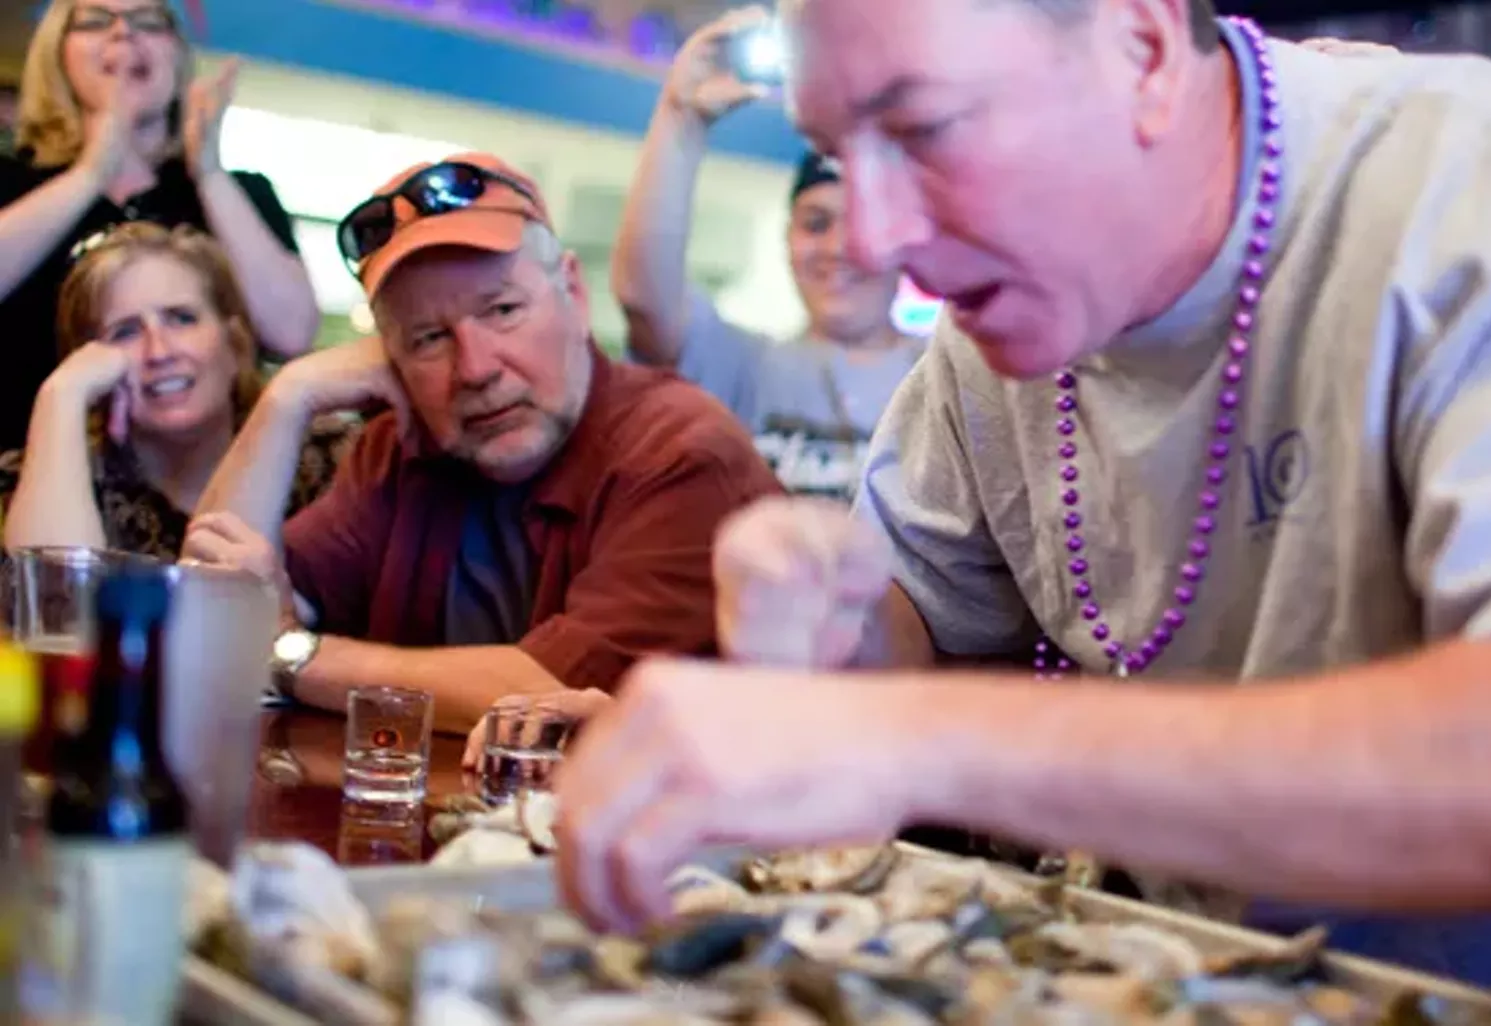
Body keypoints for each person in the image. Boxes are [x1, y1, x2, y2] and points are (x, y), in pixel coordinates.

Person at [555, 0, 1491, 994]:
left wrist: (916, 741)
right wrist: (830, 616)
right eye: (838, 156)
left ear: (1142, 49)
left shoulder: (1474, 188)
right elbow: (921, 628)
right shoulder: (995, 321)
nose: (874, 243)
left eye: (923, 128)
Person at [183, 153, 782, 734]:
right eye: (429, 338)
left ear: (574, 294)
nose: (475, 369)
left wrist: (294, 654)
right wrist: (290, 396)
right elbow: (212, 619)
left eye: (502, 310)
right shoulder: (403, 448)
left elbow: (548, 693)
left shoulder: (681, 452)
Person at [613, 7, 924, 502]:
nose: (838, 248)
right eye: (816, 223)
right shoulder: (745, 367)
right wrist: (680, 118)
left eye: (860, 221)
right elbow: (645, 305)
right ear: (787, 239)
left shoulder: (945, 378)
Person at [0, 0, 318, 450]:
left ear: (177, 56)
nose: (123, 33)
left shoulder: (238, 191)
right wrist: (92, 171)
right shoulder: (12, 182)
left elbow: (291, 332)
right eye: (96, 21)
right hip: (28, 466)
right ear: (57, 54)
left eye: (148, 22)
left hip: (207, 475)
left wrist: (209, 172)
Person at [0, 222, 351, 560]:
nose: (159, 351)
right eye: (125, 332)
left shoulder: (329, 456)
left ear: (235, 344)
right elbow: (51, 592)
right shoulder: (36, 475)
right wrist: (63, 394)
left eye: (182, 318)